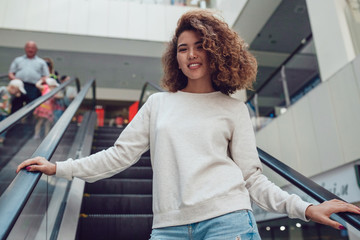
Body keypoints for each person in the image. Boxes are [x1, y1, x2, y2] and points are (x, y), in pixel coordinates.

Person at [16, 9, 360, 239]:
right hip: (168, 228)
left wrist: (305, 206)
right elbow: (119, 156)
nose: (191, 54)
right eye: (182, 48)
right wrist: (58, 167)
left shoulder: (232, 109)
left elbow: (251, 179)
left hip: (229, 223)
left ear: (216, 51)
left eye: (200, 46)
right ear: (174, 57)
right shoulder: (158, 104)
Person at [8, 41, 49, 113]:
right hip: (19, 87)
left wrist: (41, 81)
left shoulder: (41, 62)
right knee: (16, 106)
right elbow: (11, 73)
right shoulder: (18, 60)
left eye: (33, 48)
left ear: (36, 50)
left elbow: (46, 76)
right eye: (28, 48)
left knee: (32, 107)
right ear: (25, 49)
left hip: (33, 87)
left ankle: (29, 123)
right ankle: (14, 124)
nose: (30, 50)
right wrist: (15, 79)